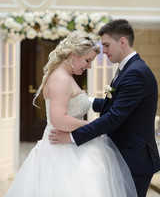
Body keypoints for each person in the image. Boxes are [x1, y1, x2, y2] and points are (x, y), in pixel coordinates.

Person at [4, 30, 137, 197]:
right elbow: (59, 120)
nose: (89, 66)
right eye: (88, 60)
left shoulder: (65, 76)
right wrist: (92, 126)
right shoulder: (61, 79)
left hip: (73, 146)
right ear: (74, 55)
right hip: (62, 153)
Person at [49, 20, 160, 197]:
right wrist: (85, 100)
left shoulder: (135, 72)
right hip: (124, 155)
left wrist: (71, 137)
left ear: (122, 42)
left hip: (134, 159)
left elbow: (114, 117)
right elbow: (117, 104)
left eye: (107, 45)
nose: (104, 51)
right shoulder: (127, 69)